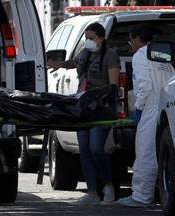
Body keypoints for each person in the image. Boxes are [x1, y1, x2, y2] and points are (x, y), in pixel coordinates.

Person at [47, 22, 120, 205]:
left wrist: (102, 101)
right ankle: (92, 193)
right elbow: (74, 62)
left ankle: (109, 185)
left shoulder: (110, 56)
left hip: (100, 109)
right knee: (84, 150)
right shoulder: (86, 53)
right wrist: (59, 64)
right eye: (86, 38)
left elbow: (113, 86)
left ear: (101, 39)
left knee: (96, 148)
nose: (88, 41)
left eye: (91, 38)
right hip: (83, 107)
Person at [117, 23, 175, 208]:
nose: (130, 43)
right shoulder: (161, 54)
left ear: (136, 39)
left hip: (151, 107)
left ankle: (141, 196)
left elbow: (144, 86)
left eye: (130, 39)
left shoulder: (140, 56)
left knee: (145, 153)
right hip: (168, 106)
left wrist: (139, 109)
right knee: (162, 152)